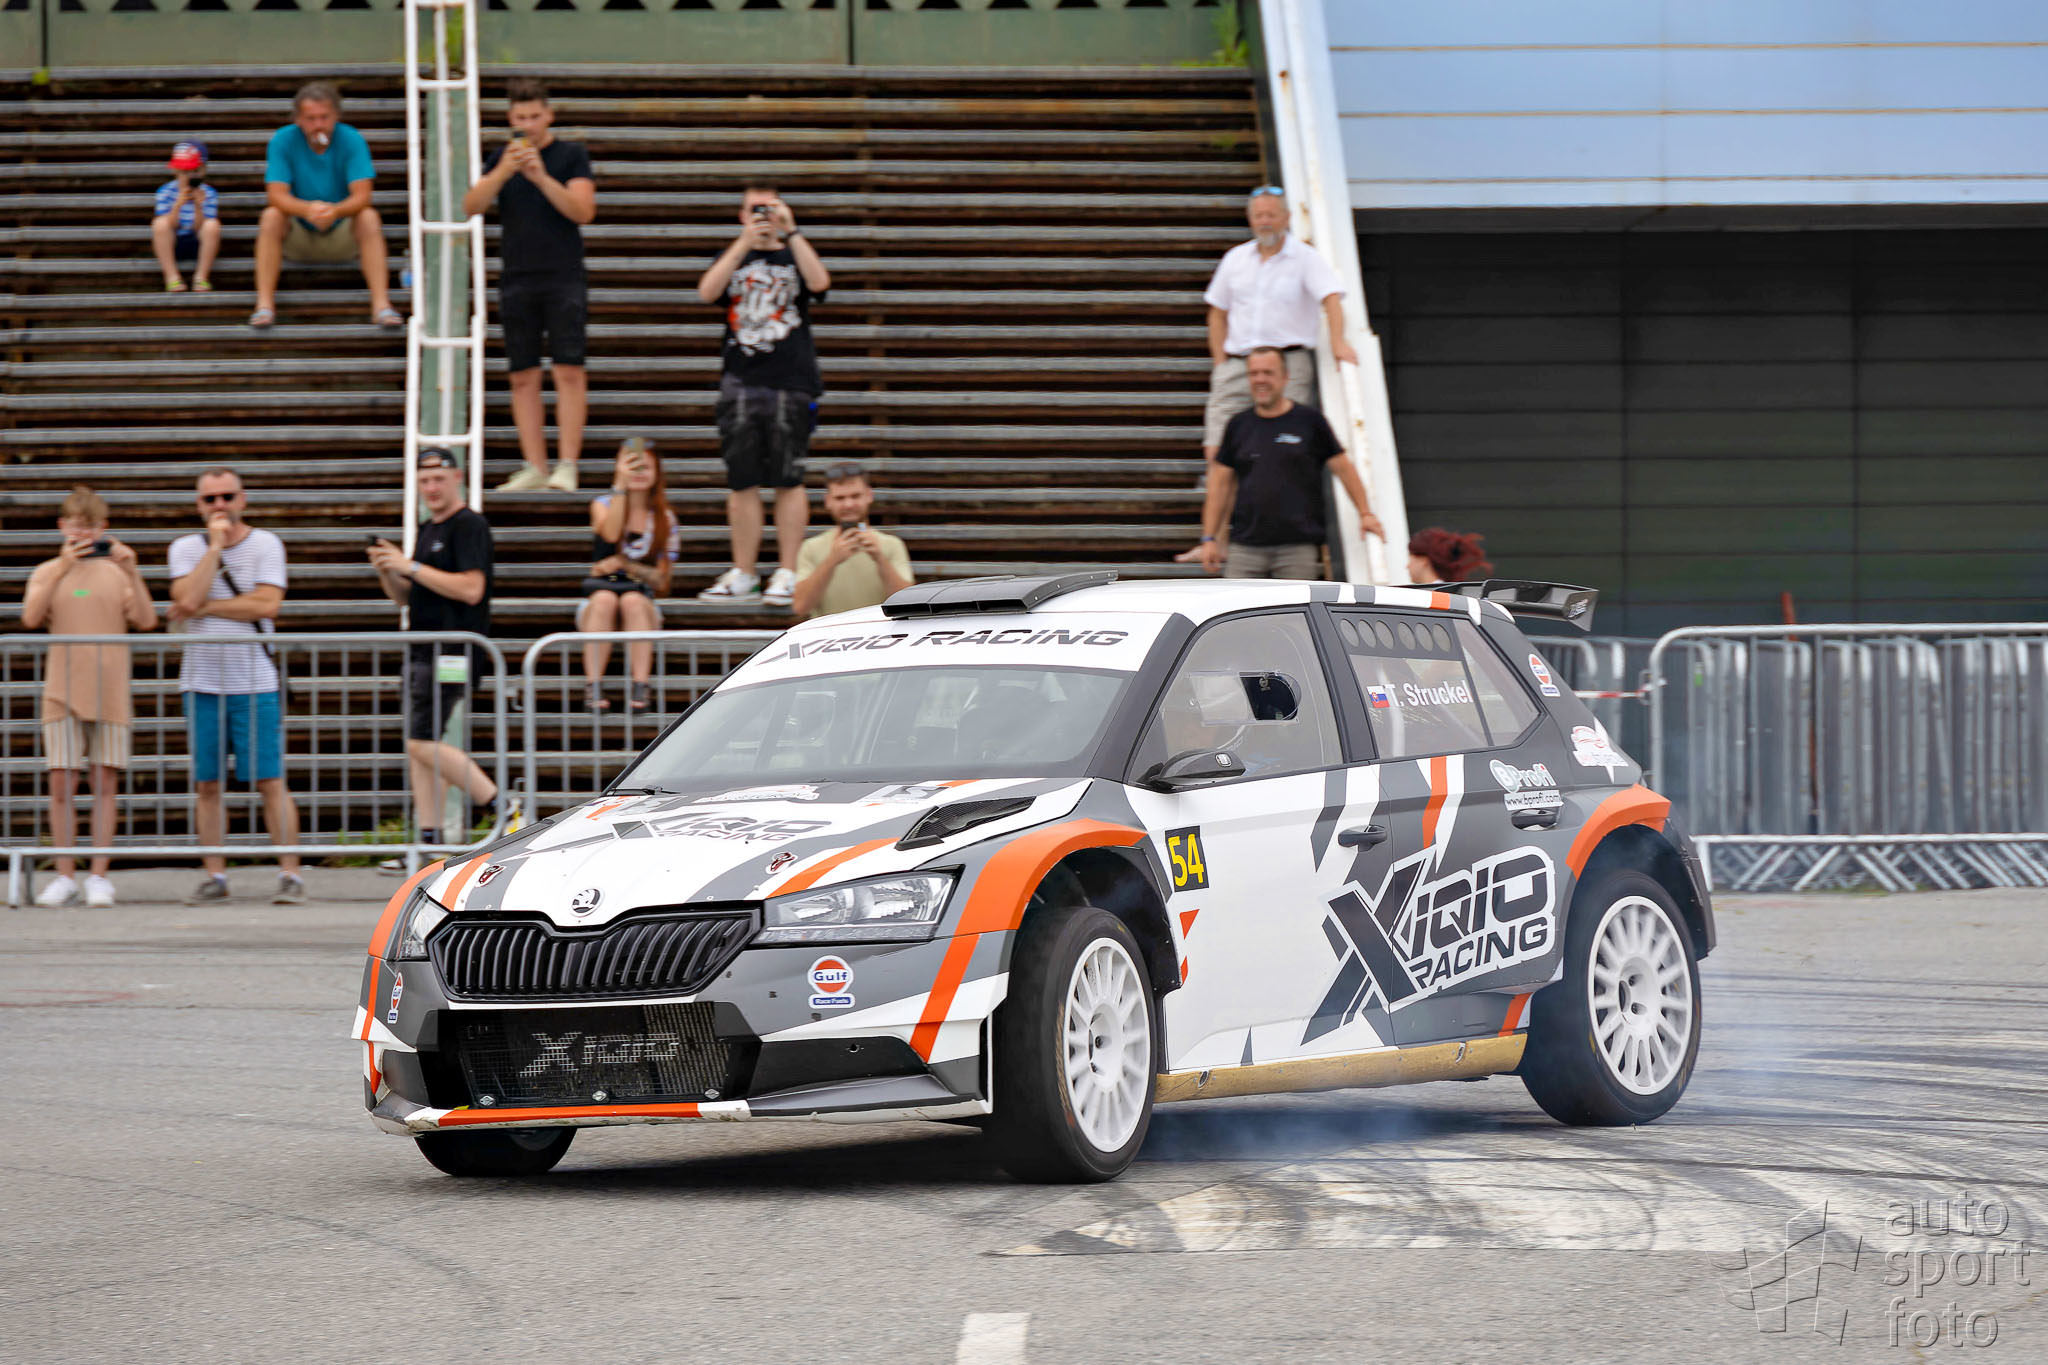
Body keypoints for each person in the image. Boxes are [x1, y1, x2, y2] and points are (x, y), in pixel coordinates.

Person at [1177, 185, 1357, 564]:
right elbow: (1216, 312)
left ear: (1287, 218)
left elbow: (1331, 298)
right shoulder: (1235, 259)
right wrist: (1220, 362)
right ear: (1250, 219)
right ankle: (1214, 540)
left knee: (1279, 451)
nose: (1265, 222)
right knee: (1218, 453)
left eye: (1271, 214)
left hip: (1288, 363)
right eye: (1258, 215)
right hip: (1239, 363)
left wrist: (1339, 342)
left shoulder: (1305, 258)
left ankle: (1289, 540)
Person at [167, 469, 305, 905]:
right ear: (199, 505)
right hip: (201, 683)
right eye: (210, 499)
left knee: (270, 779)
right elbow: (185, 599)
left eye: (227, 496)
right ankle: (216, 876)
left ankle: (290, 874)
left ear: (242, 499)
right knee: (207, 784)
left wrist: (207, 605)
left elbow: (268, 604)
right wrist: (214, 548)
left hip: (255, 682)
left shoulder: (266, 544)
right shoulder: (185, 548)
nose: (220, 505)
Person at [694, 182, 830, 607]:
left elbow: (820, 282)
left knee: (789, 478)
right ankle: (745, 571)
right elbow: (707, 292)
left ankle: (788, 570)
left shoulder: (795, 252)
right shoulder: (733, 255)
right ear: (741, 214)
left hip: (791, 380)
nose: (762, 215)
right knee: (742, 480)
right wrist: (744, 243)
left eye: (769, 208)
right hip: (740, 380)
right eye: (754, 208)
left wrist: (792, 232)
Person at [22, 488, 158, 908]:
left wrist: (132, 569)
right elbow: (30, 617)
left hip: (110, 690)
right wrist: (64, 565)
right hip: (61, 691)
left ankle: (99, 875)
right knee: (61, 783)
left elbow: (146, 619)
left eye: (91, 527)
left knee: (105, 783)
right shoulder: (47, 570)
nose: (82, 534)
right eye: (76, 526)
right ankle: (65, 875)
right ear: (62, 526)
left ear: (104, 529)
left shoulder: (116, 573)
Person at [463, 78, 597, 495]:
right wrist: (504, 170)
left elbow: (583, 210)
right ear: (510, 118)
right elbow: (471, 205)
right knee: (522, 375)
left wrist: (541, 177)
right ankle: (534, 465)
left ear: (549, 115)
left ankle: (568, 463)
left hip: (563, 275)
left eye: (535, 116)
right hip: (517, 275)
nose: (528, 125)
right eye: (520, 117)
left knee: (568, 370)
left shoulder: (571, 155)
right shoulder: (500, 157)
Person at [368, 450, 501, 854]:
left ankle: (502, 805)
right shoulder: (429, 527)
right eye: (424, 480)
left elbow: (471, 589)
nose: (431, 487)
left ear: (457, 477)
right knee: (423, 747)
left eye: (439, 478)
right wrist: (389, 570)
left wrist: (410, 566)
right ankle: (429, 841)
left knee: (420, 743)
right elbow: (406, 597)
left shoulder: (469, 524)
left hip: (453, 651)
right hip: (423, 648)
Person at [1198, 347, 1384, 580]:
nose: (1260, 380)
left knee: (1297, 605)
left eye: (1268, 373)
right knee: (1236, 604)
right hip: (1245, 547)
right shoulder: (1238, 425)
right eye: (1254, 373)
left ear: (1285, 377)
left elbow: (1344, 468)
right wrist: (1209, 537)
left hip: (1297, 548)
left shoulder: (1310, 421)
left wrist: (1365, 513)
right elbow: (1219, 485)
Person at [251, 81, 399, 330]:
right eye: (311, 119)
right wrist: (307, 210)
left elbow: (363, 195)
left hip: (342, 232)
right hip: (299, 233)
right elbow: (276, 195)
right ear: (298, 119)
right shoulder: (283, 140)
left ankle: (381, 305)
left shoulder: (351, 139)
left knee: (368, 217)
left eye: (324, 117)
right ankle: (264, 305)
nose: (318, 125)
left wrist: (335, 211)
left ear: (336, 116)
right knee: (271, 216)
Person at [577, 440, 679, 713]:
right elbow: (610, 534)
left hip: (642, 602)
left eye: (646, 466)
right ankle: (593, 684)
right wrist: (620, 487)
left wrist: (626, 564)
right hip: (599, 599)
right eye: (632, 465)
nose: (639, 472)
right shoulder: (602, 504)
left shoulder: (664, 519)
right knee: (605, 599)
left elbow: (663, 581)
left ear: (657, 472)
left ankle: (640, 684)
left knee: (632, 600)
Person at [790, 462, 914, 620]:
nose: (848, 504)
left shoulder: (891, 545)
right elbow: (800, 607)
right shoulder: (811, 547)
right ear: (828, 501)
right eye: (840, 498)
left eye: (855, 496)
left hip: (879, 632)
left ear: (869, 496)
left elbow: (907, 604)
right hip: (830, 633)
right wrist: (832, 560)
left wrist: (880, 559)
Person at [151, 140, 219, 294]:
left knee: (212, 225)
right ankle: (172, 277)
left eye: (193, 171)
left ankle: (201, 277)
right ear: (175, 171)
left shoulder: (208, 193)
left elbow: (199, 227)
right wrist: (177, 205)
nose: (188, 176)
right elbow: (170, 225)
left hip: (198, 242)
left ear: (202, 171)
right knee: (160, 223)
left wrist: (198, 206)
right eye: (184, 172)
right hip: (173, 243)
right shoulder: (166, 191)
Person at [1409, 527, 1493, 584]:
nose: (1407, 566)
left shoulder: (1423, 599)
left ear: (1423, 561)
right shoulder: (1454, 594)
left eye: (1411, 560)